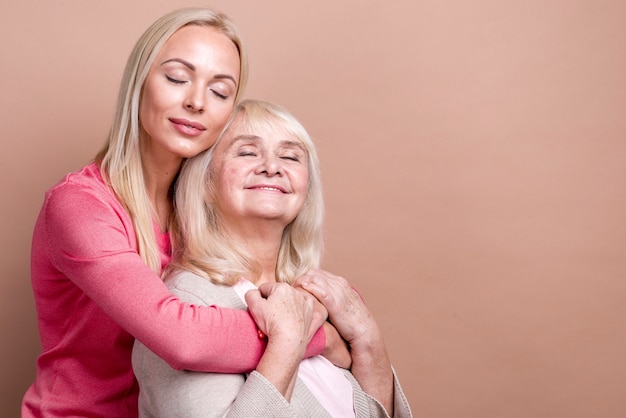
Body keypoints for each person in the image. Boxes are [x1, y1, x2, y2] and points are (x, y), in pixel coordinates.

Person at [23, 9, 344, 418]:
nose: (196, 102)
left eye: (220, 91)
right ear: (139, 82)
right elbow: (182, 338)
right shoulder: (80, 205)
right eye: (177, 78)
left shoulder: (204, 207)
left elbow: (270, 281)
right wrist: (319, 337)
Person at [132, 99, 413, 417]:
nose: (272, 166)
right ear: (206, 182)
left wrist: (367, 336)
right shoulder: (187, 301)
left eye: (291, 156)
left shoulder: (319, 299)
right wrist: (288, 341)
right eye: (247, 151)